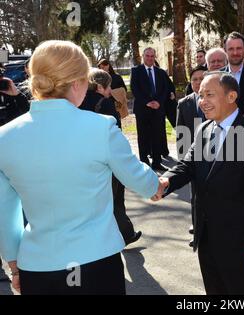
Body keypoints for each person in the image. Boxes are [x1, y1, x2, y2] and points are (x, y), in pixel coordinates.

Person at [0, 40, 161, 295]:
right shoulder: (101, 127)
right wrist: (157, 184)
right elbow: (141, 181)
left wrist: (14, 265)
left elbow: (5, 211)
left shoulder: (4, 137)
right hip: (96, 263)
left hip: (37, 266)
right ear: (76, 82)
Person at [154, 72, 244, 295]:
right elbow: (188, 166)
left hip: (240, 242)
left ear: (231, 96)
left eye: (210, 94)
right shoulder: (204, 129)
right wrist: (165, 181)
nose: (203, 101)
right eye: (200, 95)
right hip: (206, 235)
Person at [80, 68, 142, 246]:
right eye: (108, 87)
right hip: (107, 159)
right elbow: (116, 133)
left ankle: (121, 233)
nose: (110, 91)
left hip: (87, 159)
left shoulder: (78, 102)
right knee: (116, 199)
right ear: (100, 87)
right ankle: (124, 234)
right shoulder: (105, 103)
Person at [176, 65, 207, 247]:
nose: (198, 82)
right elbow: (181, 135)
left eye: (202, 78)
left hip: (215, 157)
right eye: (194, 79)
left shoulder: (216, 101)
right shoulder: (184, 104)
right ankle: (197, 230)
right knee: (195, 196)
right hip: (194, 158)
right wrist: (184, 162)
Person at [131, 47, 171, 172]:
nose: (149, 58)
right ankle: (144, 162)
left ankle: (157, 162)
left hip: (157, 110)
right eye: (147, 56)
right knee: (143, 136)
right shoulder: (136, 71)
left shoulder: (160, 72)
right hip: (142, 109)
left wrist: (158, 102)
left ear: (155, 57)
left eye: (152, 56)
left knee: (157, 136)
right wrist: (147, 102)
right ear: (143, 56)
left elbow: (165, 89)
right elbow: (134, 89)